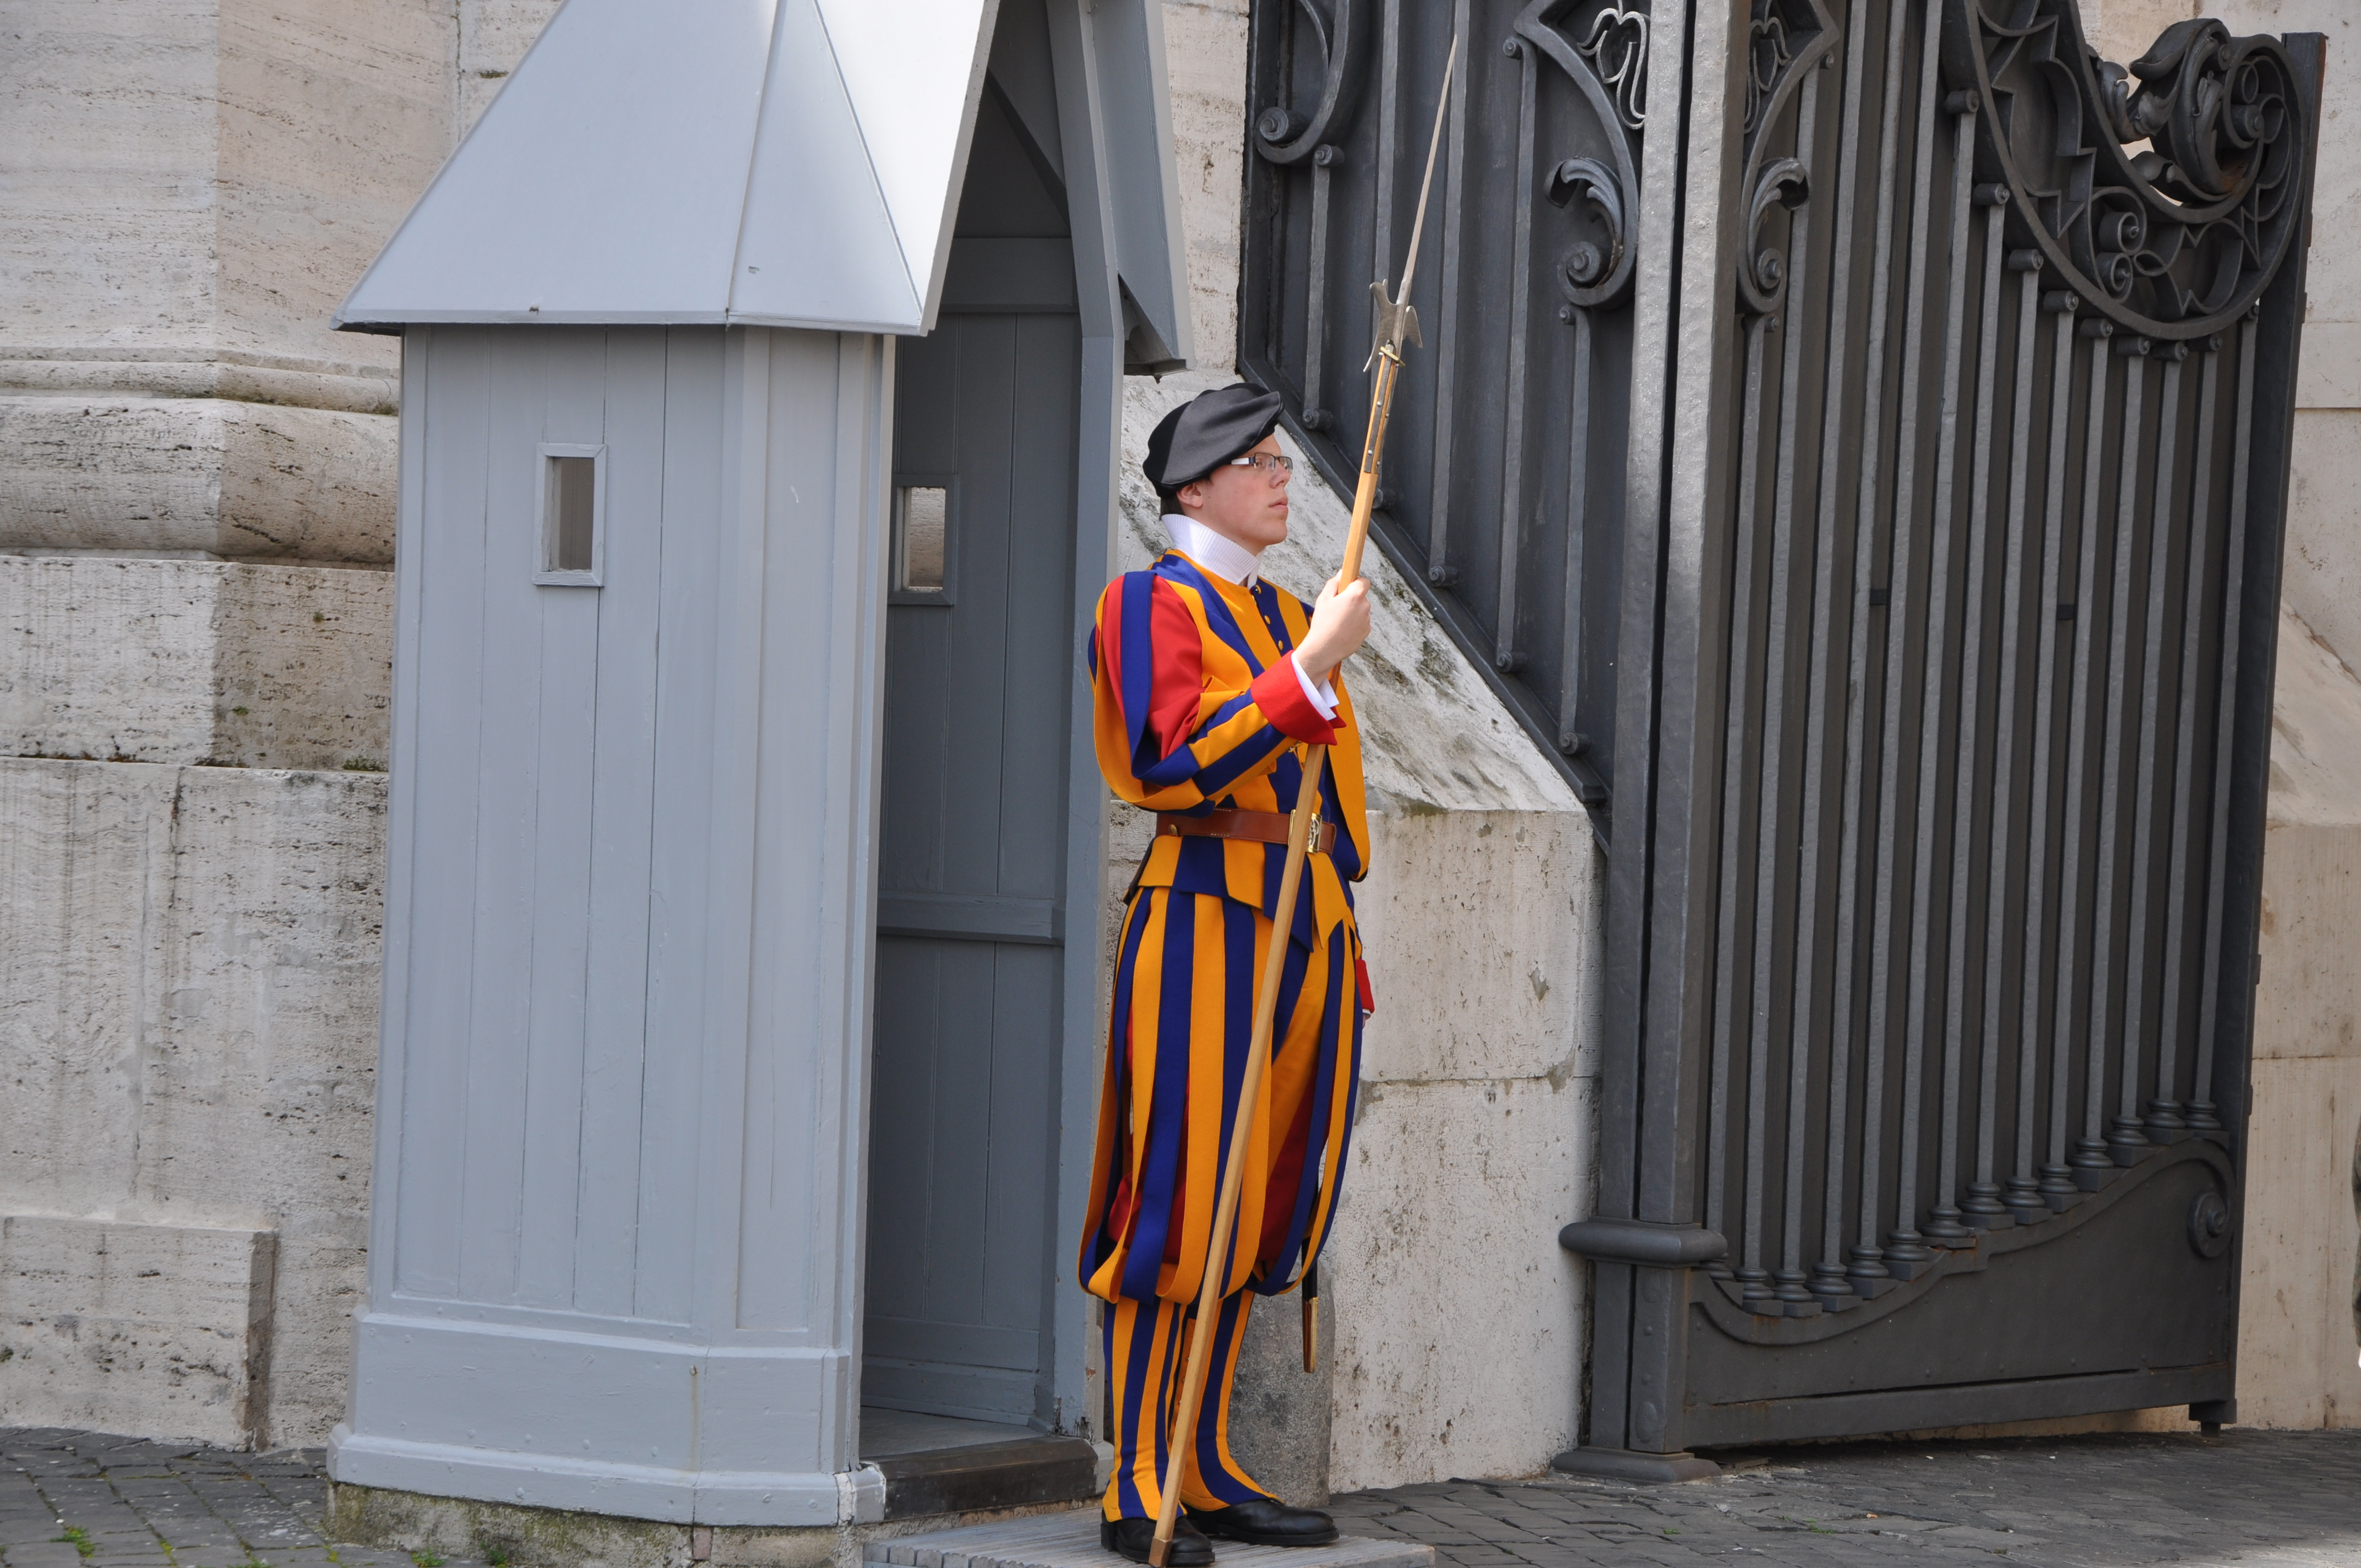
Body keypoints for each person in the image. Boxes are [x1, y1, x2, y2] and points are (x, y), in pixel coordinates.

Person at [1080, 383, 1374, 1565]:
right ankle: (1137, 1477)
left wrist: (1307, 657)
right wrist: (1306, 673)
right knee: (1178, 1198)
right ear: (1194, 488)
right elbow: (1165, 761)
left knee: (1260, 1198)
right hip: (1206, 914)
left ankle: (1202, 1463)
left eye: (1282, 459)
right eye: (1257, 461)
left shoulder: (1292, 611)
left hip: (1303, 922)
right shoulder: (1146, 602)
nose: (1282, 477)